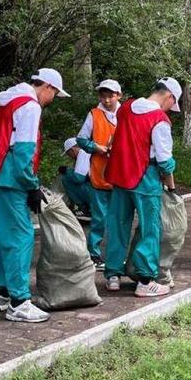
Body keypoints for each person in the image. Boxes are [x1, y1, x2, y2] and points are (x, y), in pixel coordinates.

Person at [0, 68, 69, 322]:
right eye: (54, 94)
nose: (52, 101)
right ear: (47, 87)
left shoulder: (8, 100)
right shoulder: (30, 107)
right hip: (12, 178)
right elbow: (23, 152)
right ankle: (19, 302)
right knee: (21, 236)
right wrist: (32, 185)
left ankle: (4, 292)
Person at [102, 78, 181, 296]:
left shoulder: (126, 107)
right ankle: (145, 281)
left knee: (118, 224)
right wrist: (171, 188)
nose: (170, 110)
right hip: (145, 178)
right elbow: (165, 161)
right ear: (169, 97)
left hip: (119, 175)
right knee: (149, 228)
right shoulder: (160, 120)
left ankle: (113, 276)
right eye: (172, 105)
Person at [76, 79, 122, 268]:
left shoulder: (126, 114)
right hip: (99, 173)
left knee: (118, 220)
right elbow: (81, 139)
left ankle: (116, 257)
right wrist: (96, 147)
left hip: (121, 175)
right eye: (103, 96)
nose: (106, 100)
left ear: (119, 95)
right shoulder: (94, 114)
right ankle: (94, 255)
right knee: (99, 219)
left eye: (110, 96)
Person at [59, 137, 92, 217]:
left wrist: (67, 170)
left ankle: (84, 208)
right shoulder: (88, 151)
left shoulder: (83, 153)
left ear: (73, 149)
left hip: (95, 190)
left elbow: (79, 178)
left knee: (66, 178)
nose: (68, 156)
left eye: (68, 153)